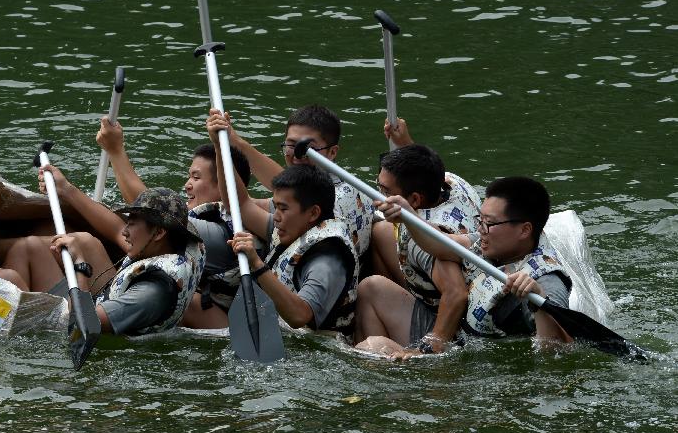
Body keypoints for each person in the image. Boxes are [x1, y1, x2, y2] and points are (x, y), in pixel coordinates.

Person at [364, 176, 572, 356]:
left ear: (524, 230)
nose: (481, 230)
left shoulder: (547, 281)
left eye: (488, 223)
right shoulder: (492, 242)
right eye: (480, 221)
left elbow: (559, 352)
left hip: (482, 365)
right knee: (372, 288)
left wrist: (539, 303)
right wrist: (409, 216)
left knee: (373, 347)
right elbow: (441, 245)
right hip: (458, 338)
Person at [0, 175, 205, 336]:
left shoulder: (151, 293)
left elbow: (83, 325)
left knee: (7, 279)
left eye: (132, 224)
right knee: (29, 246)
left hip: (78, 322)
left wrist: (80, 265)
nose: (125, 230)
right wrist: (65, 188)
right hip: (101, 301)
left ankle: (4, 326)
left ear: (159, 232)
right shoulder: (167, 245)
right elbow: (115, 229)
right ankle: (10, 307)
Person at [95, 116, 254, 329]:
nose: (187, 185)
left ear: (225, 185)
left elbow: (151, 211)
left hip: (207, 320)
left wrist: (116, 151)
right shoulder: (197, 219)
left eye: (196, 178)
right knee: (83, 242)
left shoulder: (221, 233)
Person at [208, 111, 360, 332]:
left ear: (312, 213)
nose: (276, 215)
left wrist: (257, 264)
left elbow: (300, 316)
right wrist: (220, 146)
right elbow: (240, 204)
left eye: (283, 208)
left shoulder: (327, 257)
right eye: (276, 207)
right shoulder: (294, 225)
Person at [354, 144, 482, 357]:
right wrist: (402, 140)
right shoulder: (453, 183)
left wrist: (429, 347)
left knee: (369, 289)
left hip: (454, 329)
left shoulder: (425, 237)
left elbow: (456, 294)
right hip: (446, 288)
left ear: (413, 200)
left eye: (386, 192)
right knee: (381, 231)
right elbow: (424, 164)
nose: (378, 200)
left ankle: (382, 353)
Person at [206, 104, 375, 259]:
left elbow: (240, 205)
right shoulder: (345, 186)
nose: (297, 154)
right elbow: (277, 189)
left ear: (332, 152)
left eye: (307, 148)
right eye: (291, 145)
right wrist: (230, 140)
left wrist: (221, 147)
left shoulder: (316, 211)